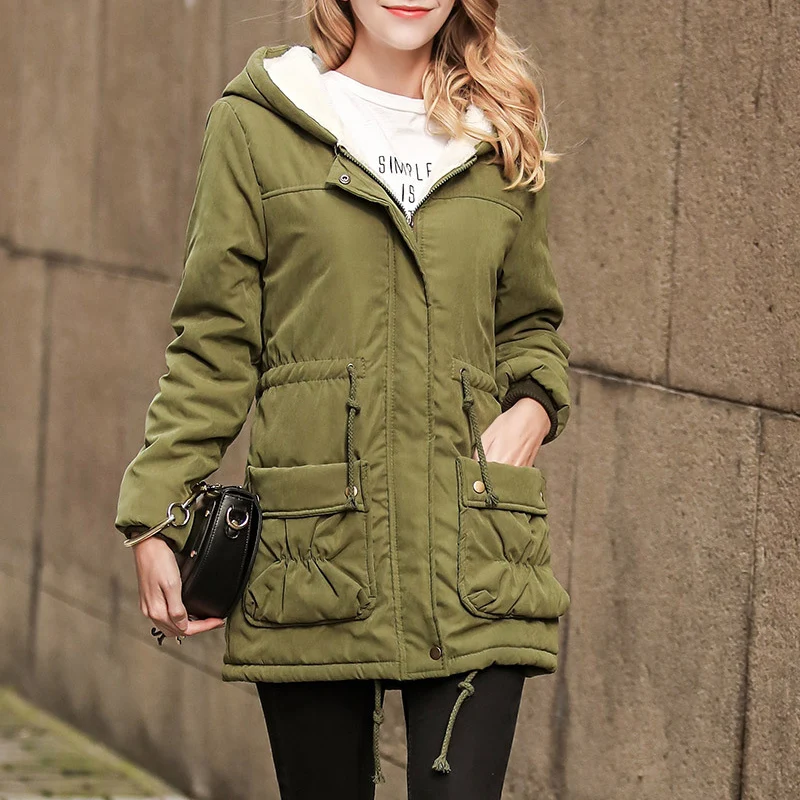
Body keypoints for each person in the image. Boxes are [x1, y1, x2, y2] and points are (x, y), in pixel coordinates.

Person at [114, 1, 572, 797]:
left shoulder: (498, 132)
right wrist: (156, 510)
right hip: (315, 557)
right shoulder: (259, 125)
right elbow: (216, 342)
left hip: (478, 548)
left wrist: (530, 411)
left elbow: (529, 326)